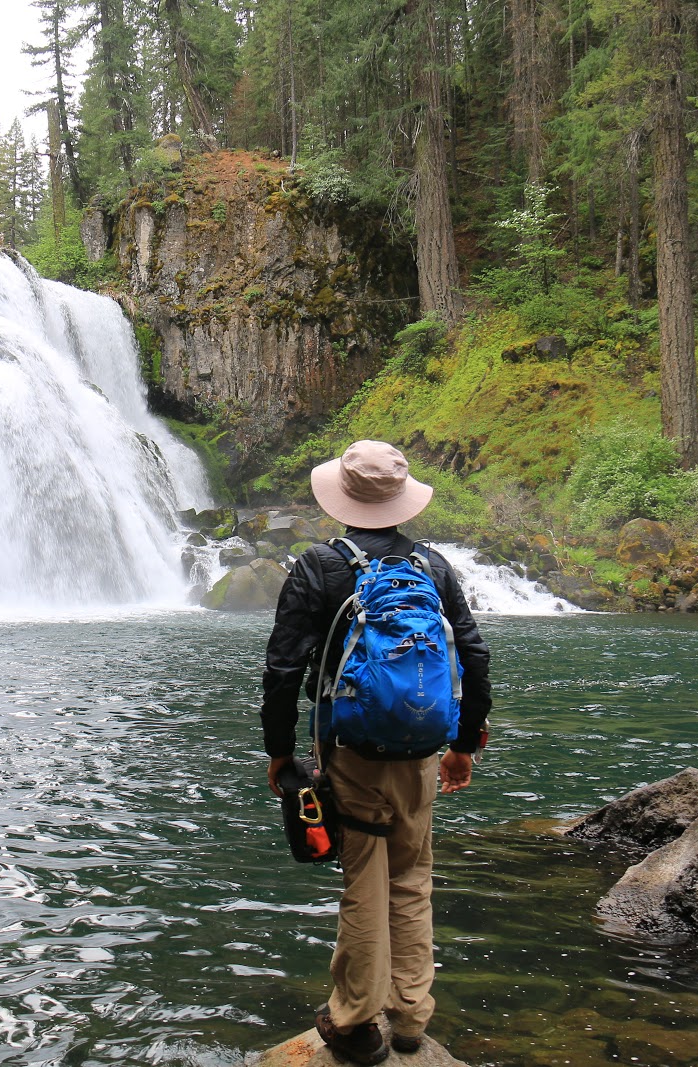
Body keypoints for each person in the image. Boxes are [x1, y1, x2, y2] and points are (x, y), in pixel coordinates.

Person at [262, 440, 492, 1065]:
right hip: (421, 750)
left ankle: (356, 1021)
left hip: (350, 751)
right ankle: (413, 1018)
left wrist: (279, 752)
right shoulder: (433, 566)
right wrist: (464, 743)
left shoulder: (317, 566)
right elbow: (472, 654)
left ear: (340, 496)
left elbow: (283, 669)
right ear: (400, 500)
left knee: (363, 879)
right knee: (412, 879)